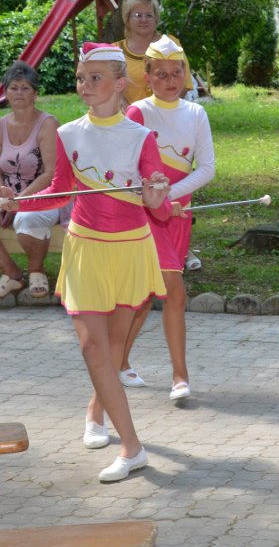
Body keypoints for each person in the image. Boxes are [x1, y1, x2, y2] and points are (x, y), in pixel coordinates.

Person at [0, 42, 171, 482]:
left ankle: (96, 411)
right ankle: (132, 448)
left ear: (120, 83)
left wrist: (155, 197)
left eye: (95, 77)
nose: (85, 85)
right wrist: (19, 201)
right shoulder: (68, 133)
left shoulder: (141, 137)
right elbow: (59, 189)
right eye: (80, 78)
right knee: (93, 347)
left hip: (130, 248)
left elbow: (161, 208)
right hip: (86, 246)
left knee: (112, 348)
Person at [120, 36, 216, 402]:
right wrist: (156, 201)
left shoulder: (196, 114)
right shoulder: (138, 113)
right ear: (147, 77)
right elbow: (127, 171)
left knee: (146, 296)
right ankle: (180, 376)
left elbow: (206, 168)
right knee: (174, 290)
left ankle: (119, 362)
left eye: (177, 73)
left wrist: (171, 197)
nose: (170, 80)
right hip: (145, 216)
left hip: (178, 215)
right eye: (161, 74)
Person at [0, 62, 65, 300]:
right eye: (13, 88)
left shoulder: (48, 124)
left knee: (27, 218)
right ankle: (11, 273)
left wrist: (22, 199)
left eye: (25, 88)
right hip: (7, 194)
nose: (19, 93)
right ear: (6, 93)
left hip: (43, 193)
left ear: (35, 93)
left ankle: (36, 271)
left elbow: (50, 173)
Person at [115, 0, 193, 106]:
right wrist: (133, 114)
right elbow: (110, 90)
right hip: (127, 115)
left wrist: (159, 111)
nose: (144, 19)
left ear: (156, 19)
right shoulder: (114, 51)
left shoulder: (171, 44)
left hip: (168, 113)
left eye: (149, 15)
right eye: (137, 15)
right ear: (127, 19)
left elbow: (184, 84)